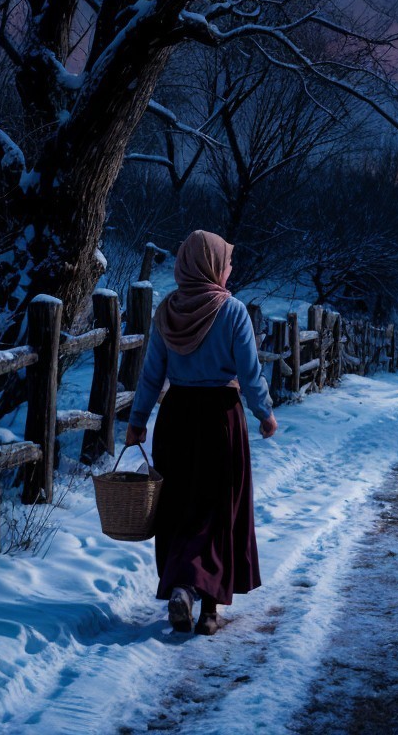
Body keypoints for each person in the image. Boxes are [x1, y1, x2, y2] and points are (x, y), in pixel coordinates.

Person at [124, 230, 279, 635]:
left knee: (178, 507)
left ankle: (182, 587)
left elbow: (151, 374)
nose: (229, 270)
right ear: (211, 266)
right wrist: (264, 413)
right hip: (219, 419)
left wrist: (138, 420)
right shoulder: (232, 312)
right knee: (216, 510)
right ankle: (209, 607)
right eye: (226, 263)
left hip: (175, 420)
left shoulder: (167, 312)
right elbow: (249, 372)